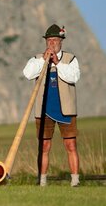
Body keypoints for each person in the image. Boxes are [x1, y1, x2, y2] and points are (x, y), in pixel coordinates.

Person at [23, 24, 81, 187]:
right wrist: (43, 60)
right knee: (44, 145)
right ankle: (42, 181)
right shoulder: (37, 59)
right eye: (49, 40)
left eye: (55, 40)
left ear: (61, 41)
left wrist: (57, 62)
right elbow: (27, 74)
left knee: (70, 144)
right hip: (43, 109)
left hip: (66, 109)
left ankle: (75, 181)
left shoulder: (70, 59)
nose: (52, 43)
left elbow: (73, 77)